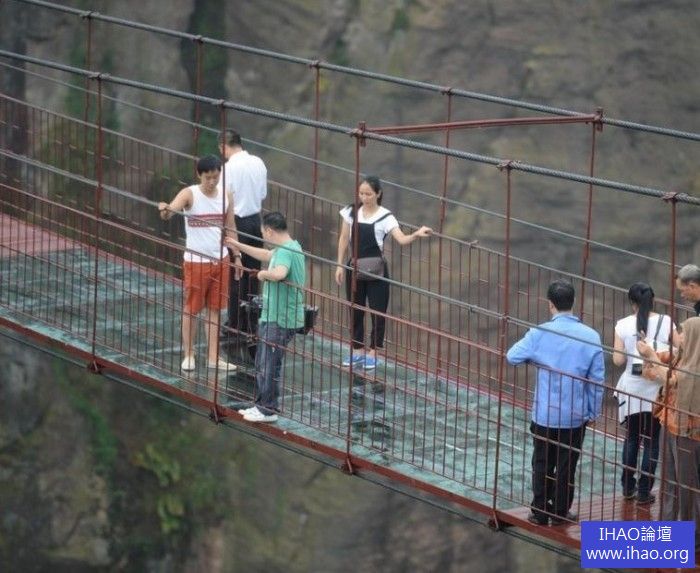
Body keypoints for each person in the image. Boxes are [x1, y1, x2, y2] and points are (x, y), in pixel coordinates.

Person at [506, 279, 605, 526]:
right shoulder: (591, 337)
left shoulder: (539, 333)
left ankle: (540, 511)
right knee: (566, 466)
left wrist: (535, 359)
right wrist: (593, 411)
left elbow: (512, 356)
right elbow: (596, 381)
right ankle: (561, 511)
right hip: (574, 415)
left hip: (544, 414)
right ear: (574, 302)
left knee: (542, 463)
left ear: (550, 304)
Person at [334, 175, 432, 370]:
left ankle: (374, 351)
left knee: (378, 312)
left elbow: (401, 239)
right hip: (354, 267)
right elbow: (344, 238)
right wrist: (339, 265)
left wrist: (415, 234)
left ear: (378, 194)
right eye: (361, 193)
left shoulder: (386, 217)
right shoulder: (350, 211)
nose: (364, 198)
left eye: (368, 194)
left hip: (377, 271)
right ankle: (357, 349)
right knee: (355, 309)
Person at [158, 155, 239, 372]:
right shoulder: (189, 193)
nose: (212, 181)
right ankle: (189, 354)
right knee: (192, 308)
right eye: (207, 177)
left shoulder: (226, 195)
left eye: (216, 177)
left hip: (220, 259)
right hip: (196, 261)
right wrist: (165, 209)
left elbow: (230, 227)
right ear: (199, 175)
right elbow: (170, 212)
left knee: (215, 309)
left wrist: (237, 255)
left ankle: (213, 357)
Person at [225, 211, 305, 423]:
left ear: (269, 231)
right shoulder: (290, 247)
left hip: (280, 317)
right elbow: (265, 255)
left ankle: (267, 409)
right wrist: (237, 245)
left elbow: (279, 273)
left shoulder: (285, 252)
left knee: (269, 364)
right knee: (264, 361)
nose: (264, 238)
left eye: (263, 234)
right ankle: (262, 405)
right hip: (277, 315)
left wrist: (263, 275)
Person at [638, 317, 700, 547]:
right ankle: (668, 529)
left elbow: (673, 380)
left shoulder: (695, 365)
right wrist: (648, 354)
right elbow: (652, 369)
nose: (679, 336)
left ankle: (691, 535)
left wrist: (652, 358)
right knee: (669, 481)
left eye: (683, 333)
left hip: (689, 433)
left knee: (687, 486)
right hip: (670, 424)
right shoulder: (680, 356)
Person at [612, 283, 676, 504]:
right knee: (651, 441)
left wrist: (628, 349)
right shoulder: (666, 321)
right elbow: (679, 348)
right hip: (656, 388)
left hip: (632, 388)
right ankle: (644, 492)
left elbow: (618, 360)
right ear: (653, 300)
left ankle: (627, 487)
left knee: (631, 438)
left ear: (632, 303)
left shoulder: (622, 325)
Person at [218, 129, 268, 334]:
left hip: (237, 222)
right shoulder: (259, 162)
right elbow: (263, 194)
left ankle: (235, 323)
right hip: (256, 221)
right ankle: (251, 322)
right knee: (253, 273)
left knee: (237, 273)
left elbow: (224, 200)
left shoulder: (227, 168)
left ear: (223, 147)